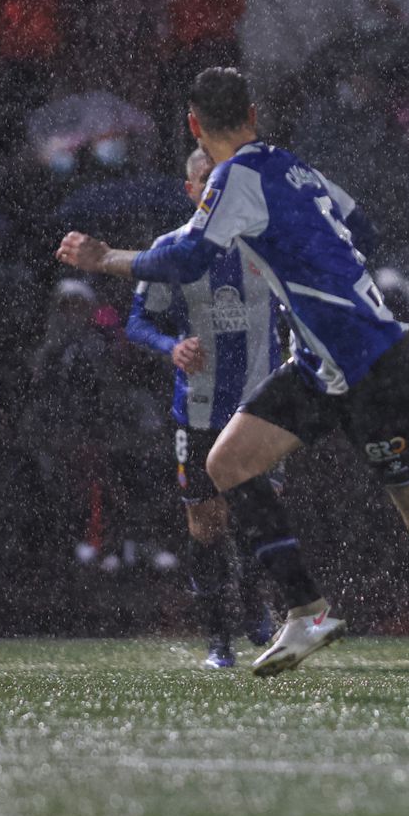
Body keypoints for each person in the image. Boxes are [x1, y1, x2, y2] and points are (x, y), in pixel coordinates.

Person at [56, 66, 409, 690]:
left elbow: (188, 257)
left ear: (194, 126)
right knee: (227, 463)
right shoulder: (290, 167)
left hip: (370, 364)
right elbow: (360, 227)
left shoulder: (235, 177)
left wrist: (106, 258)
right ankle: (306, 611)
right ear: (252, 116)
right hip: (318, 364)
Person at [125, 146, 287, 668]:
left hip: (261, 406)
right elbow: (137, 321)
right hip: (197, 410)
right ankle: (219, 639)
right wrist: (169, 347)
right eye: (203, 182)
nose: (212, 193)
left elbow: (302, 306)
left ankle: (259, 602)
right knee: (206, 525)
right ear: (191, 190)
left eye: (221, 184)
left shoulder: (266, 244)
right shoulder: (171, 250)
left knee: (258, 513)